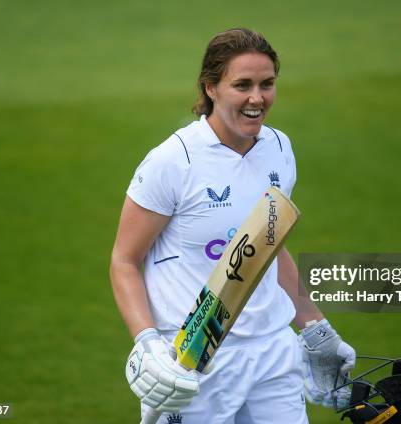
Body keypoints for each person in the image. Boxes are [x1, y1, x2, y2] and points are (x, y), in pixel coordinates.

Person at [110, 28, 356, 424]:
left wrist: (314, 325)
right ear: (211, 88)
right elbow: (124, 260)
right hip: (195, 362)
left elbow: (265, 247)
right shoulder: (173, 161)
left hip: (273, 351)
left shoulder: (279, 149)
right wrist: (146, 342)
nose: (257, 98)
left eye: (267, 84)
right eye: (242, 85)